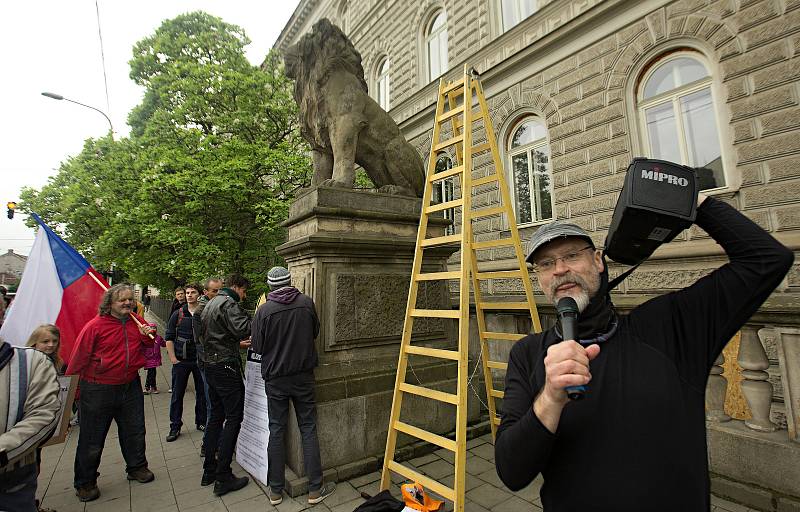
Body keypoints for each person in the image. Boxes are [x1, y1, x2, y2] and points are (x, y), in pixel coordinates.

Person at [494, 194, 794, 511]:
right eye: (546, 263)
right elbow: (512, 472)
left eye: (571, 255)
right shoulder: (527, 354)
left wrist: (693, 201)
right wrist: (551, 398)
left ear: (598, 261)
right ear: (539, 279)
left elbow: (767, 260)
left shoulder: (669, 327)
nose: (560, 269)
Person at [251, 266, 336, 506]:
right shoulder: (307, 303)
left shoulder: (264, 311)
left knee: (276, 429)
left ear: (270, 286)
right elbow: (316, 331)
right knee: (308, 428)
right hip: (303, 376)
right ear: (290, 282)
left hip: (276, 379)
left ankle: (276, 491)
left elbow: (257, 346)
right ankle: (314, 489)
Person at [66, 284, 157, 502]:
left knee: (135, 430)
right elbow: (78, 359)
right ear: (110, 304)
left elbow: (150, 344)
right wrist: (73, 394)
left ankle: (136, 467)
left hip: (130, 384)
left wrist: (147, 335)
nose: (127, 303)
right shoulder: (95, 327)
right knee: (92, 437)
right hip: (98, 388)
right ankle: (85, 482)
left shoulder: (137, 321)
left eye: (130, 299)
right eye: (122, 300)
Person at [197, 273, 252, 496]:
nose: (244, 295)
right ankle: (223, 476)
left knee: (216, 417)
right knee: (233, 417)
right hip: (225, 367)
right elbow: (243, 329)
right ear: (237, 287)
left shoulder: (210, 303)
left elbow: (210, 334)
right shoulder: (229, 303)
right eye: (244, 291)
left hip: (210, 365)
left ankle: (209, 469)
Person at [0, 336, 61, 511]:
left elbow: (44, 415)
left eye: (54, 341)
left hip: (12, 484)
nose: (50, 345)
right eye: (45, 340)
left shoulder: (31, 362)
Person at [164, 282, 207, 442]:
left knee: (202, 393)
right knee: (177, 394)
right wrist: (173, 359)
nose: (189, 295)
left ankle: (201, 422)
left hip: (199, 360)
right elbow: (168, 337)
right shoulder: (178, 314)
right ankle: (175, 426)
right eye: (187, 292)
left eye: (192, 292)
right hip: (181, 361)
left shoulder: (204, 312)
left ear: (199, 294)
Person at [193, 277, 223, 457]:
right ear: (206, 292)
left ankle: (215, 441)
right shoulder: (201, 311)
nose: (219, 294)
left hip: (215, 362)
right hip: (209, 364)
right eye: (215, 291)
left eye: (221, 290)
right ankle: (209, 445)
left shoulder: (215, 307)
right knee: (213, 405)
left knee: (217, 405)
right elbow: (202, 343)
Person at [142, 323, 165, 394]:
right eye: (151, 328)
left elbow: (163, 344)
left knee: (152, 373)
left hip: (155, 358)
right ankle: (149, 387)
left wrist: (169, 342)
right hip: (148, 359)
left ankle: (151, 387)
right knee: (151, 373)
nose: (153, 329)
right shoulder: (146, 338)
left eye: (154, 328)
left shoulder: (158, 338)